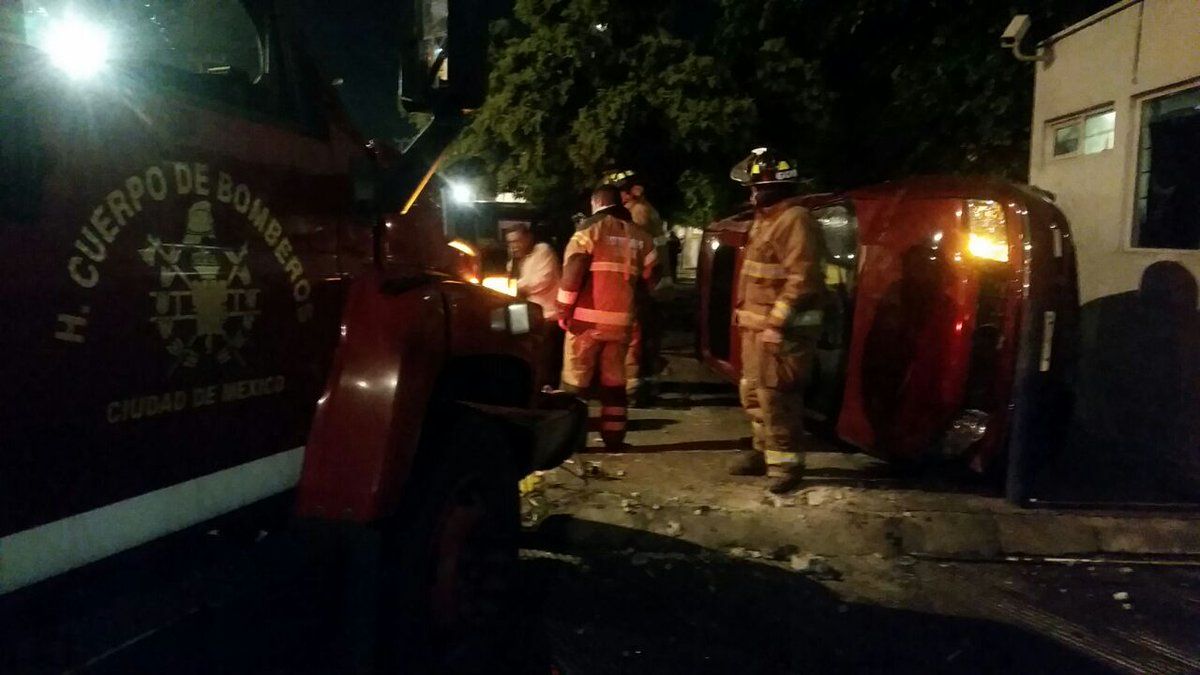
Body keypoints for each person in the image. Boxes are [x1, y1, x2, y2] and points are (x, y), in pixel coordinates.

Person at [727, 148, 826, 494]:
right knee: (753, 394)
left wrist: (777, 323)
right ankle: (763, 452)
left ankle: (786, 465)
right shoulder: (766, 219)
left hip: (783, 332)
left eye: (756, 186)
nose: (751, 193)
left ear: (775, 186)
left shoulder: (795, 219)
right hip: (757, 328)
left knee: (778, 398)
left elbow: (803, 279)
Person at [558, 185, 657, 449]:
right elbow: (650, 282)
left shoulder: (587, 232)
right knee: (614, 384)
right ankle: (614, 439)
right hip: (622, 325)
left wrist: (562, 310)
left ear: (596, 202)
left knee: (575, 384)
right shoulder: (642, 237)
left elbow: (573, 272)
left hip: (586, 324)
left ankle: (572, 440)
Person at [604, 169, 665, 406]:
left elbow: (633, 247)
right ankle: (644, 385)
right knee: (646, 340)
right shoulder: (642, 208)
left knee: (638, 339)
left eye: (618, 192)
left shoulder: (637, 212)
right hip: (652, 283)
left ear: (629, 191)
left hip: (647, 284)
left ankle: (636, 389)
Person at [504, 223, 563, 386]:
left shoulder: (543, 251)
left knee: (546, 360)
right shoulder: (514, 263)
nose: (514, 246)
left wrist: (516, 285)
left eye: (517, 241)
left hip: (547, 315)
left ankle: (547, 392)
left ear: (528, 238)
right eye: (510, 243)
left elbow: (541, 281)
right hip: (526, 318)